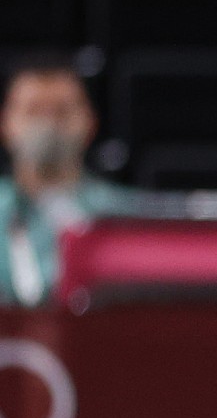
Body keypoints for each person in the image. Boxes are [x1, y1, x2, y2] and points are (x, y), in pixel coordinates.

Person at [1, 53, 132, 306]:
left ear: (91, 123)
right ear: (6, 124)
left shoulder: (125, 215)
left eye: (62, 111)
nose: (48, 124)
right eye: (33, 111)